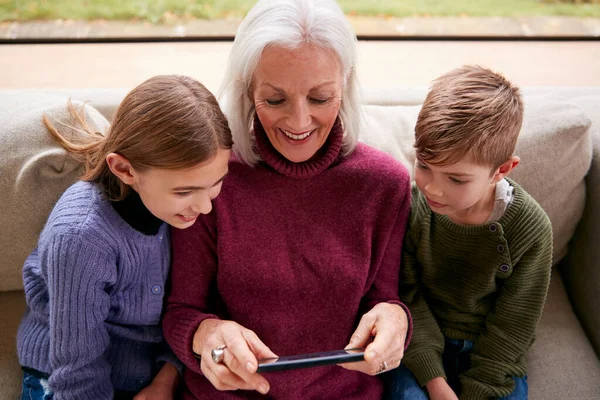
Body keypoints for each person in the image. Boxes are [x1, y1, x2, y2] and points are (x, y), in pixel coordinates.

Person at [162, 0, 413, 398]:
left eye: (320, 98)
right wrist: (206, 335)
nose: (299, 122)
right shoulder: (213, 180)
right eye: (275, 100)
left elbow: (386, 299)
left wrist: (396, 320)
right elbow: (182, 311)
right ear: (248, 90)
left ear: (345, 85)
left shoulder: (385, 184)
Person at [16, 75, 233, 400]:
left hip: (148, 377)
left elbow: (189, 306)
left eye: (216, 183)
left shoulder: (179, 211)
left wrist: (166, 379)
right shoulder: (80, 238)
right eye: (185, 191)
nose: (204, 206)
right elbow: (77, 373)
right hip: (65, 381)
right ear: (125, 170)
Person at [390, 65, 553, 400]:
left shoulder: (531, 229)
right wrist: (435, 383)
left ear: (502, 170)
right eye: (423, 165)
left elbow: (513, 326)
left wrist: (476, 391)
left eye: (456, 179)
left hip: (490, 356)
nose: (432, 188)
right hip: (420, 346)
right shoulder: (411, 206)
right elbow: (407, 295)